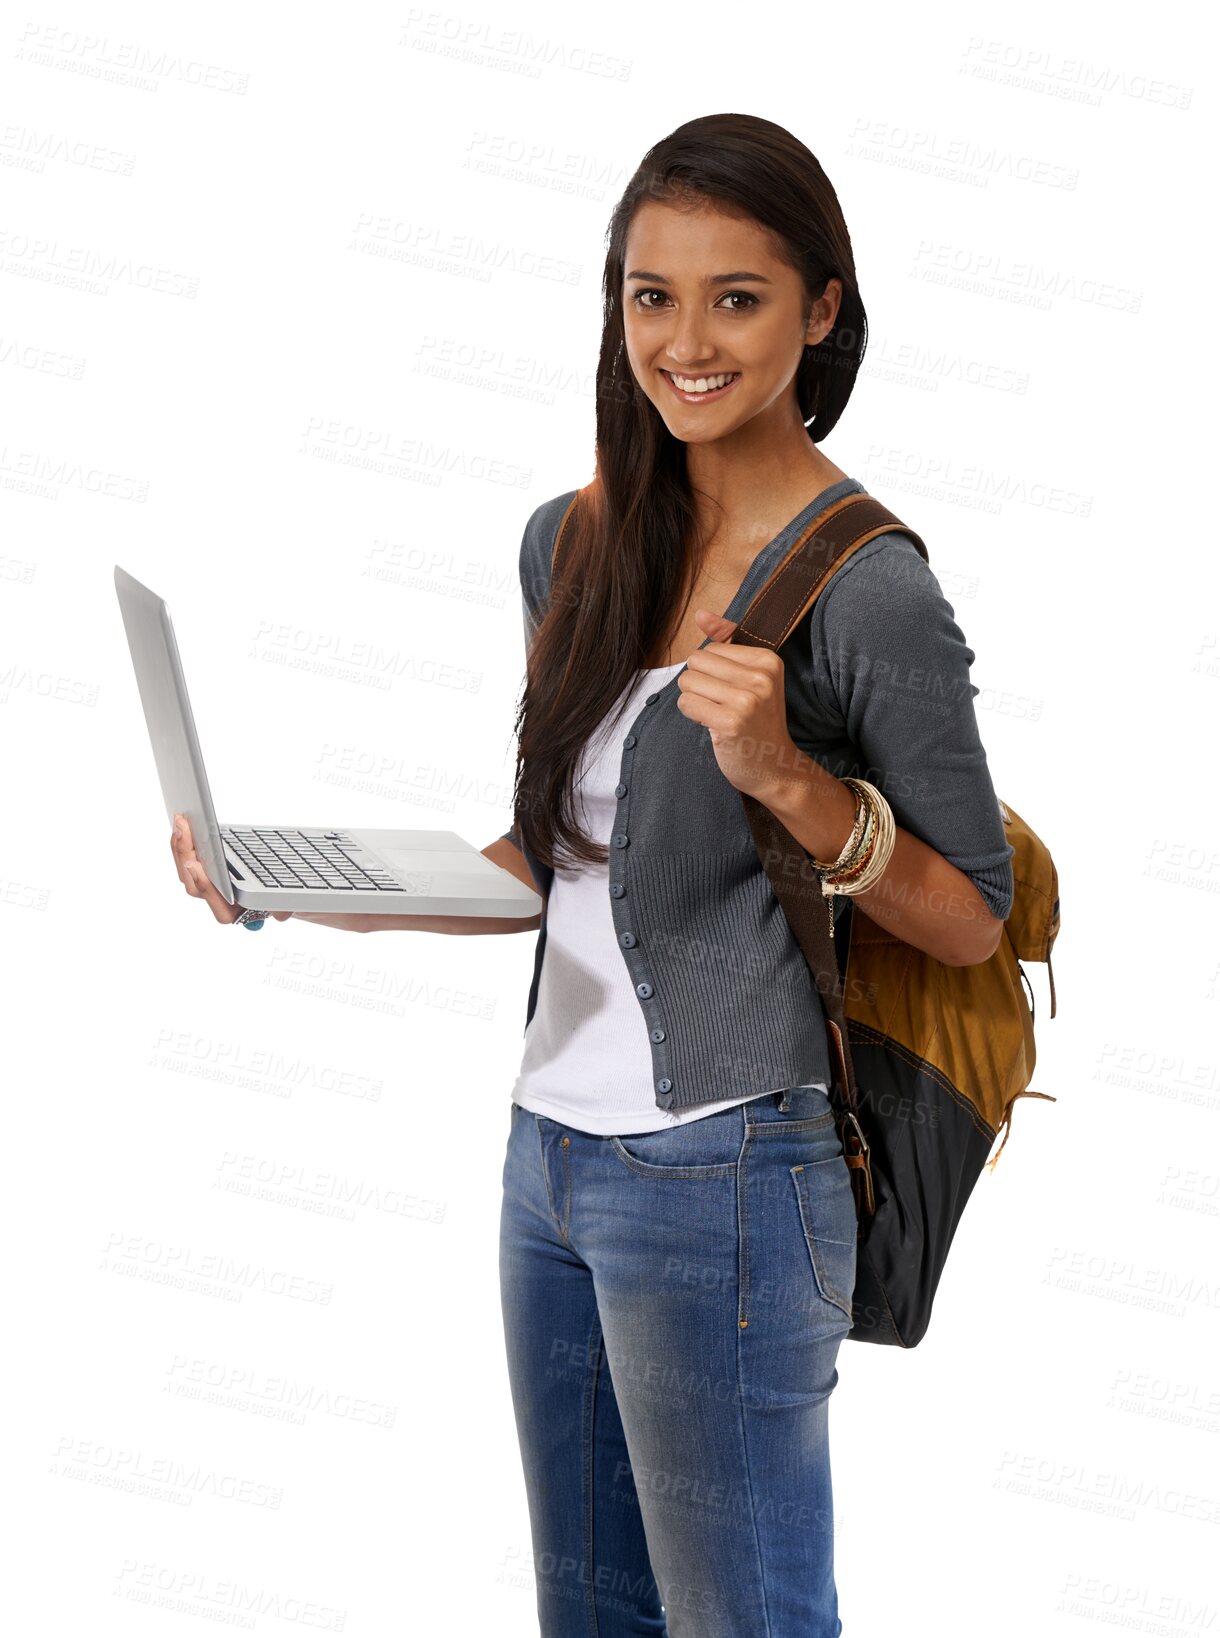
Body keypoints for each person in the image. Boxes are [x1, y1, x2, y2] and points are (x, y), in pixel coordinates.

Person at [173, 113, 1015, 1638]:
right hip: (548, 1157)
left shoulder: (868, 583)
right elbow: (545, 864)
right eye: (651, 295)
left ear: (820, 308)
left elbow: (973, 914)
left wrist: (796, 784)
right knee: (595, 1619)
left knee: (742, 1619)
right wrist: (292, 875)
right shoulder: (569, 543)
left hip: (731, 1170)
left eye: (737, 297)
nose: (686, 342)